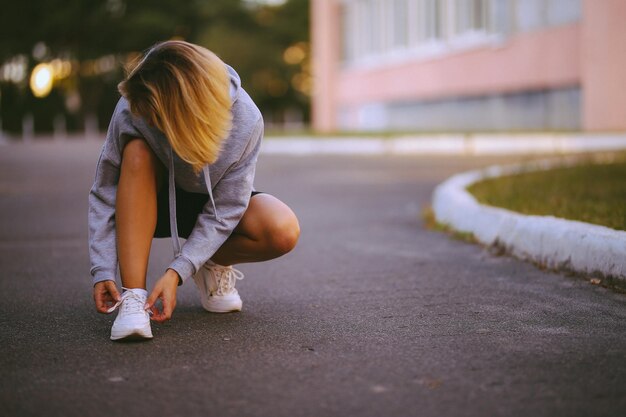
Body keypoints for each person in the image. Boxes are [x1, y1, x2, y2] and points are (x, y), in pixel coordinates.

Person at [88, 40, 300, 341]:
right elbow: (105, 190)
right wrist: (103, 269)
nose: (149, 121)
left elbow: (227, 207)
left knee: (282, 228)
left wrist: (180, 270)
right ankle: (133, 297)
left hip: (212, 203)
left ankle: (211, 262)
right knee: (137, 151)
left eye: (156, 118)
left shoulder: (246, 118)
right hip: (146, 202)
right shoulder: (135, 100)